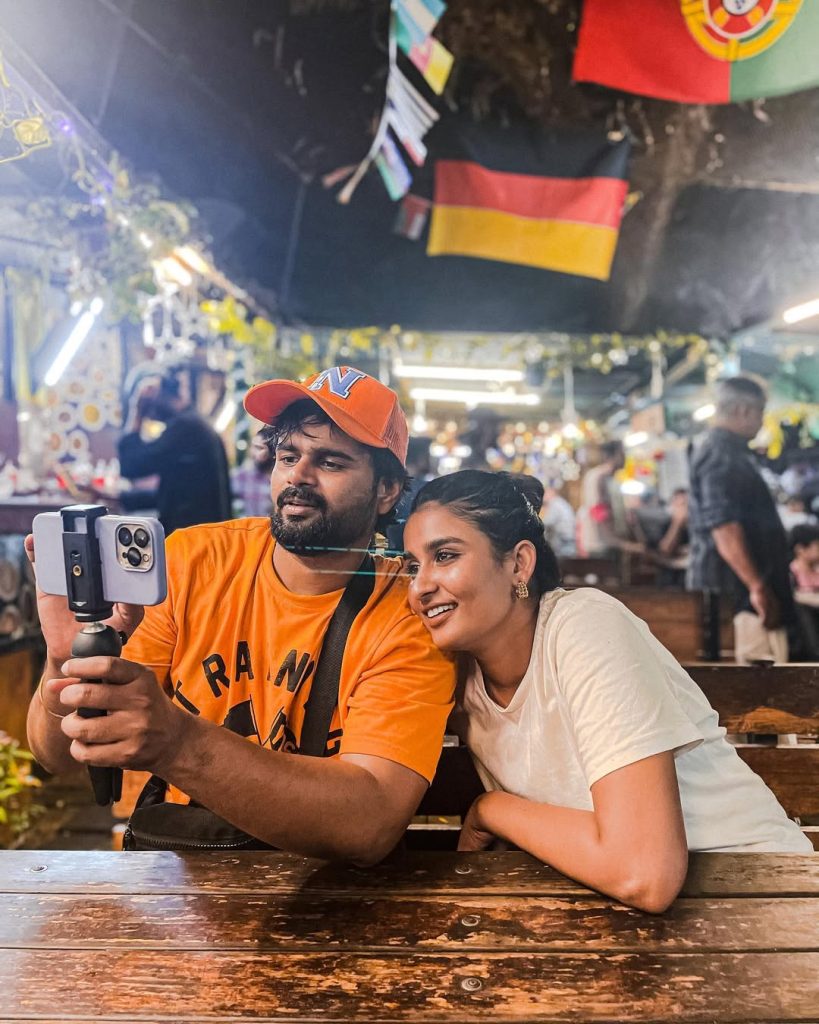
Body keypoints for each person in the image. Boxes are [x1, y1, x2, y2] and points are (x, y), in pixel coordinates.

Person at [27, 367, 455, 863]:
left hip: (331, 900)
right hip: (181, 878)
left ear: (386, 490)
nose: (298, 476)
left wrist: (178, 742)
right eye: (288, 456)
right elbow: (55, 755)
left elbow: (369, 823)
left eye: (331, 462)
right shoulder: (194, 561)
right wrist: (68, 663)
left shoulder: (408, 613)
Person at [402, 471, 811, 913]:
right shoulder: (457, 676)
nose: (420, 586)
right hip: (623, 919)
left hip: (760, 893)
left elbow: (644, 874)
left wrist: (491, 809)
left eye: (444, 556)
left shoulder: (584, 625)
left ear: (519, 563)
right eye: (412, 566)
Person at [687, 377, 794, 665]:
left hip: (742, 595)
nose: (761, 421)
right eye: (760, 412)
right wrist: (757, 586)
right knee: (754, 693)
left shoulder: (730, 452)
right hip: (738, 600)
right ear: (743, 411)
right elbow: (724, 527)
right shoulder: (721, 455)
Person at [118, 369, 232, 535]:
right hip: (203, 538)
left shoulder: (186, 427)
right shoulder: (194, 424)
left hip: (194, 541)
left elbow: (131, 465)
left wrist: (137, 410)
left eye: (148, 406)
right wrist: (119, 498)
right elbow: (174, 494)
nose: (149, 416)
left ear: (159, 395)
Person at [576, 441, 624, 556]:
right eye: (621, 453)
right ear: (611, 456)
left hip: (608, 542)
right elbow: (597, 511)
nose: (624, 457)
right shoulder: (598, 476)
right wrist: (614, 541)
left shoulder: (611, 478)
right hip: (600, 544)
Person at [231, 429, 276, 517]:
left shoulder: (283, 479)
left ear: (273, 452)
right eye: (253, 447)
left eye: (259, 448)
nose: (253, 452)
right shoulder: (240, 477)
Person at [541, 481, 576, 557]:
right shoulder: (561, 503)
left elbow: (547, 522)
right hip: (568, 540)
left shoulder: (555, 504)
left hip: (563, 542)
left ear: (552, 492)